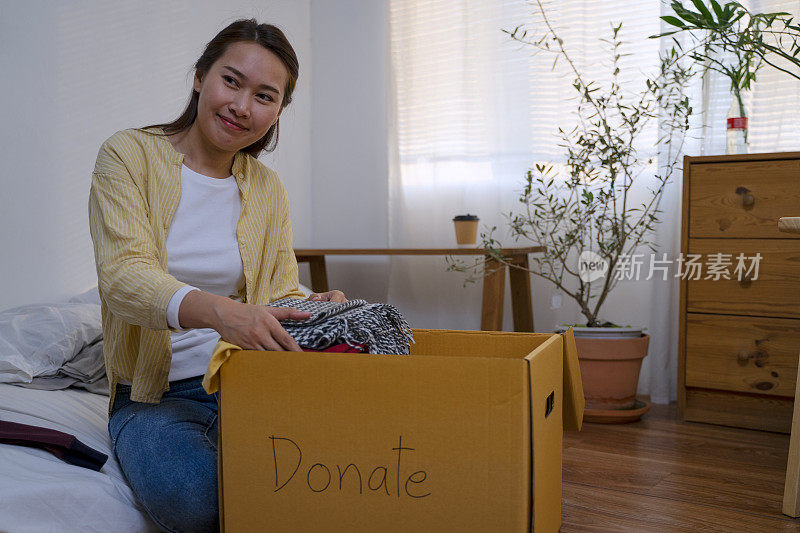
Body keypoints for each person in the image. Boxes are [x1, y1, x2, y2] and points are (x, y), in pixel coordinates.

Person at [88, 19, 345, 532]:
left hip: (250, 380)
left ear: (276, 113)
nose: (242, 107)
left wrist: (315, 303)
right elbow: (123, 277)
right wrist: (223, 314)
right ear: (201, 76)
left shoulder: (266, 188)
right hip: (157, 398)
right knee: (198, 500)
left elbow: (274, 290)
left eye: (265, 96)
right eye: (232, 81)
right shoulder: (127, 156)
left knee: (341, 473)